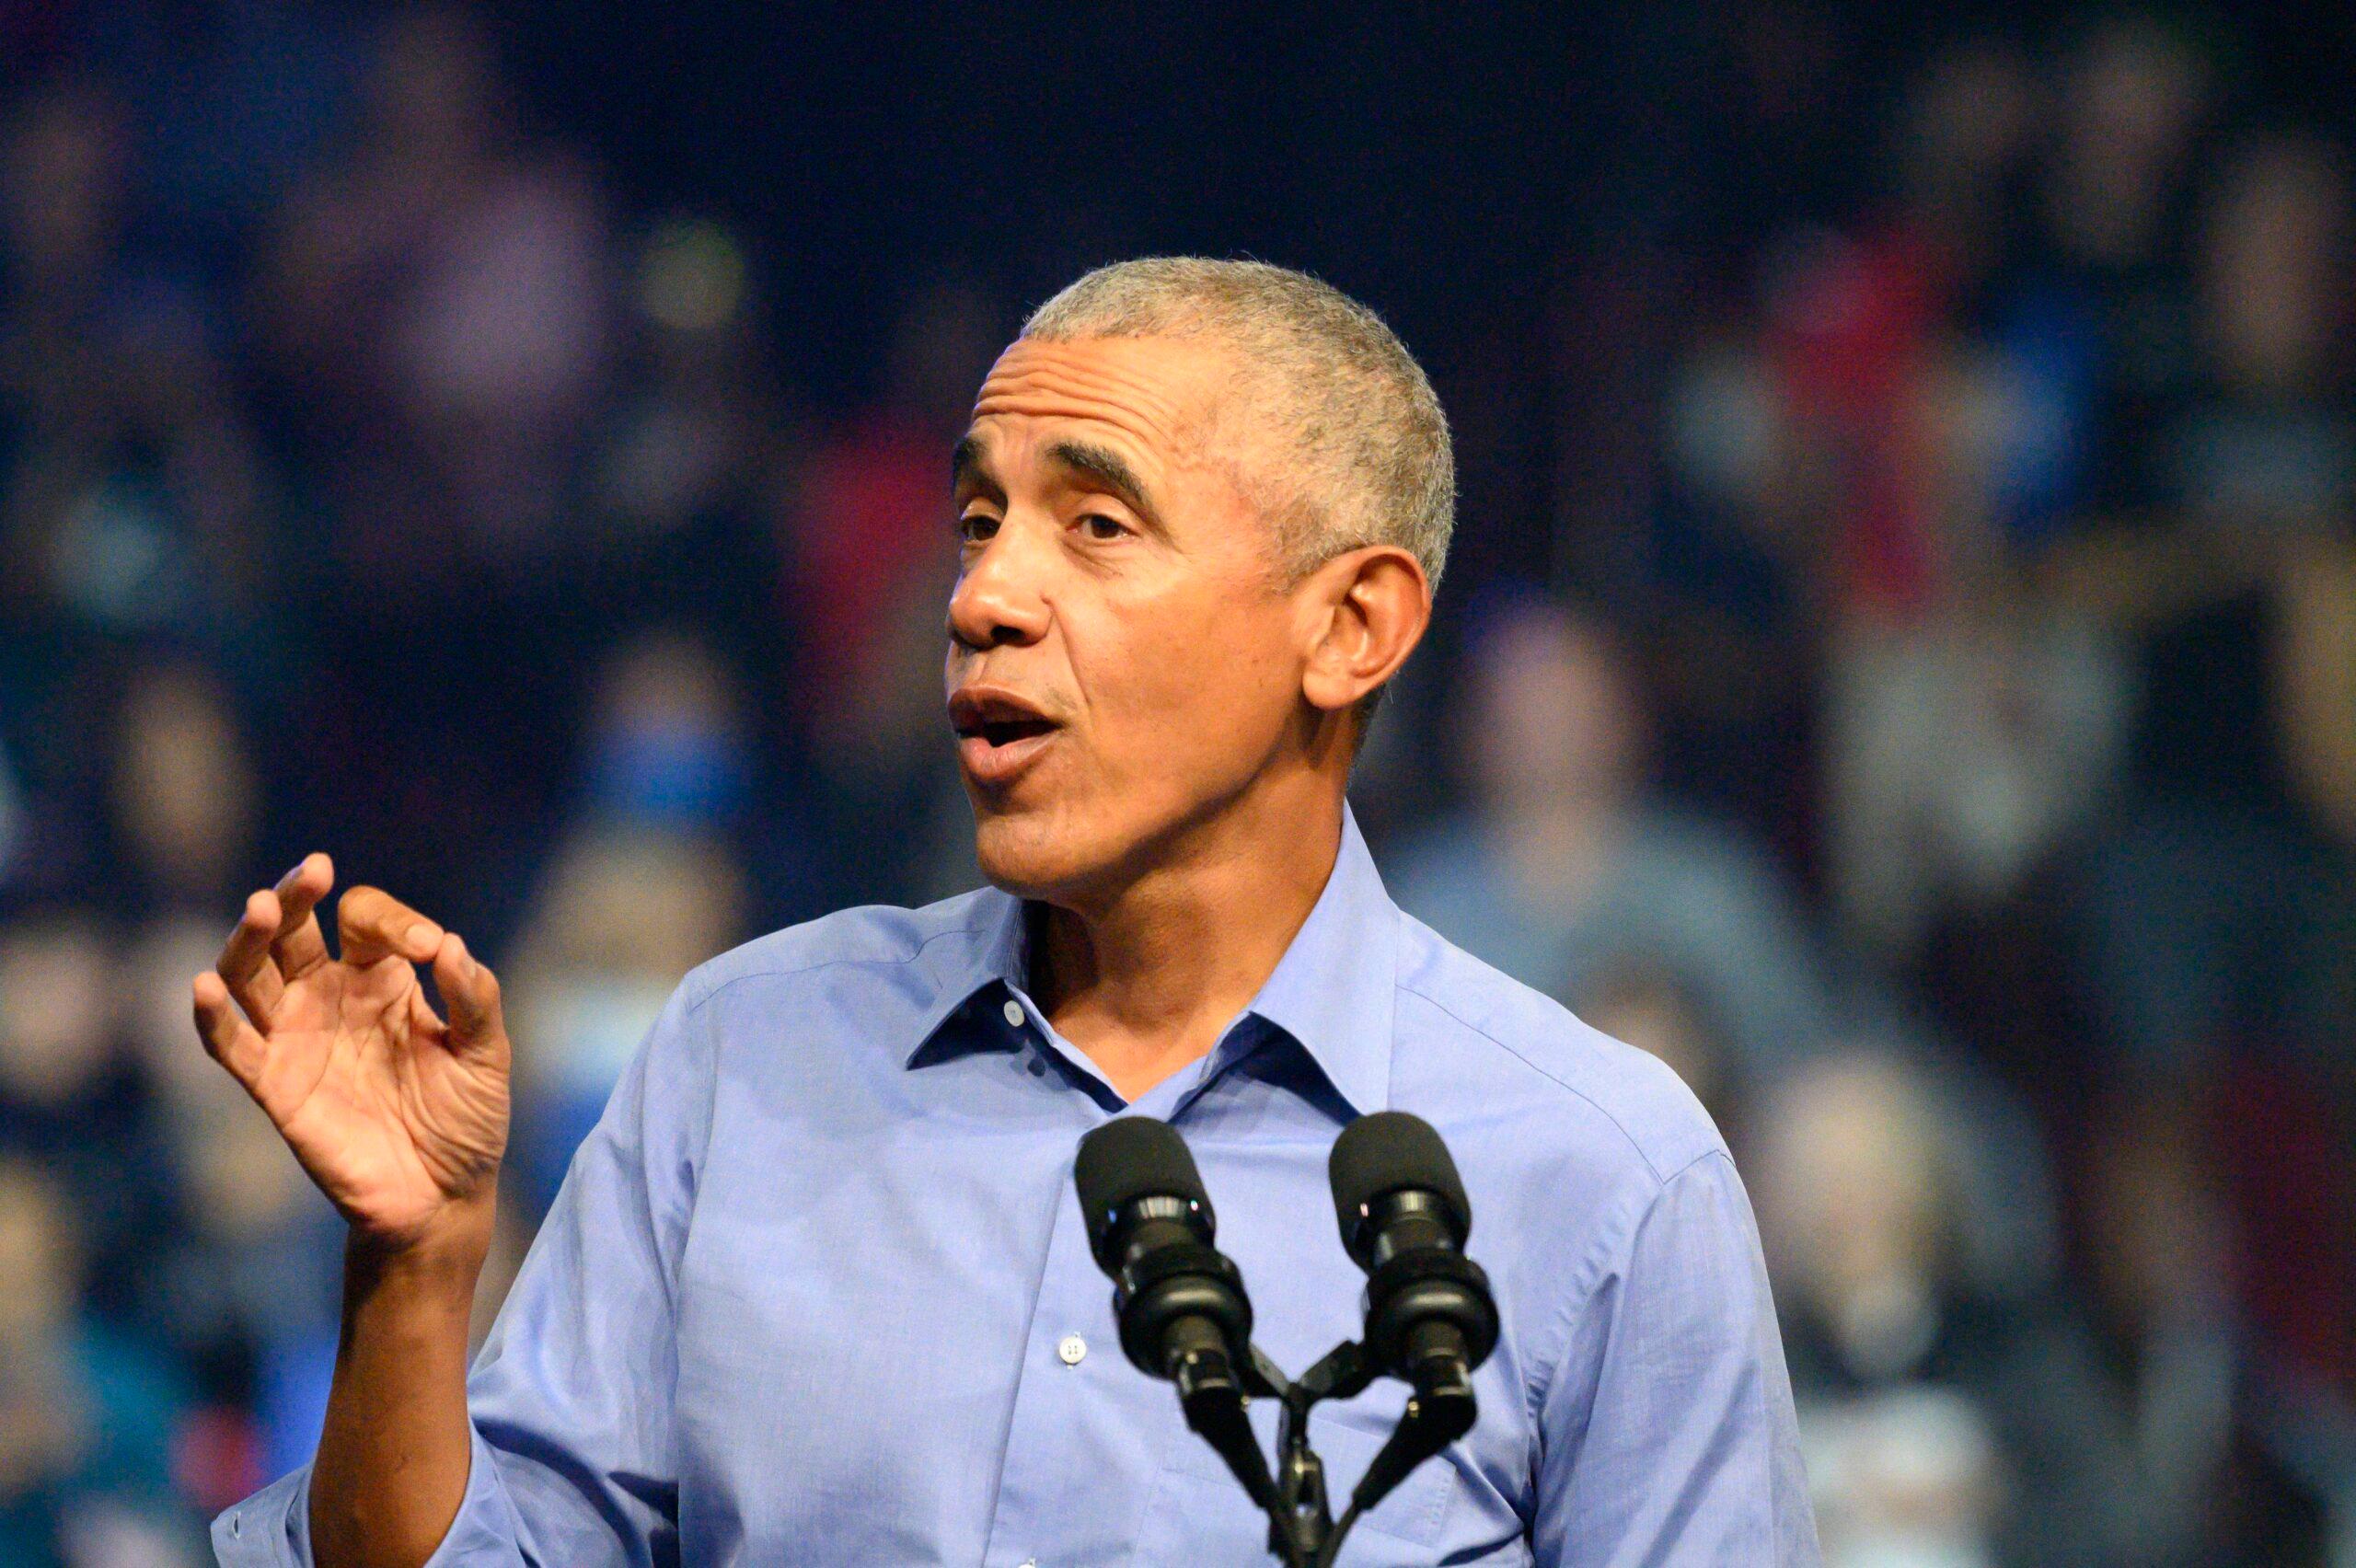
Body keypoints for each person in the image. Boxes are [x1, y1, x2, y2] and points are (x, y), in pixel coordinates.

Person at [194, 258, 1819, 1566]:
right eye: (978, 522)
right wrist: (414, 1273)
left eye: (1096, 526)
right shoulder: (745, 1058)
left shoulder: (1597, 1177)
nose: (984, 596)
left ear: (1351, 627)